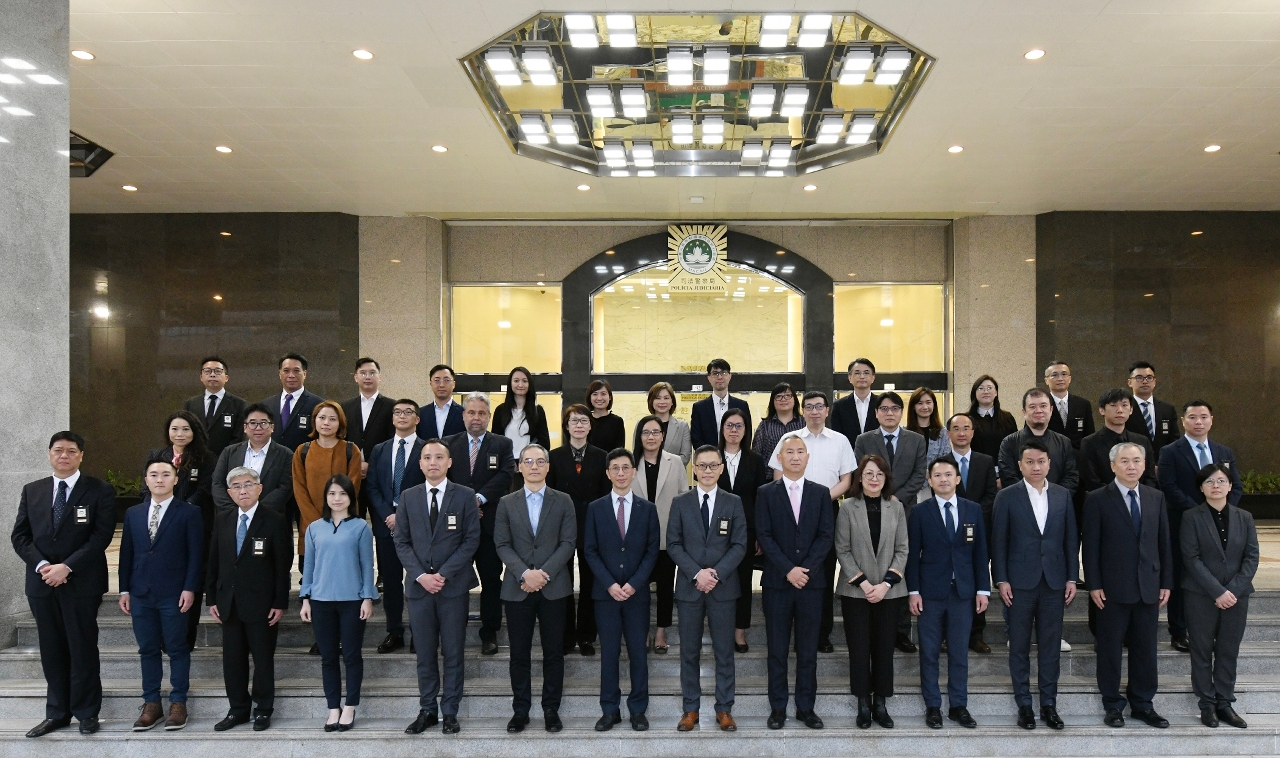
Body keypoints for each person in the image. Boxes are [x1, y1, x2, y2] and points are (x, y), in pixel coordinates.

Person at [11, 431, 115, 738]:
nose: (64, 456)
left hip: (82, 583)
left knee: (82, 648)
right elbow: (20, 536)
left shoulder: (99, 490)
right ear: (49, 454)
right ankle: (57, 713)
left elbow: (101, 535)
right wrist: (43, 566)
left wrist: (67, 567)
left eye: (71, 451)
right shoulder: (33, 490)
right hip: (42, 583)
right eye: (58, 450)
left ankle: (86, 712)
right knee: (52, 650)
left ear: (81, 455)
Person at [1083, 442, 1173, 729]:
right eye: (1124, 461)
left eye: (1136, 460)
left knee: (1145, 649)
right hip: (1111, 589)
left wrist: (1166, 581)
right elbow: (1091, 546)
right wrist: (1094, 584)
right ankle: (1112, 704)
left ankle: (1143, 704)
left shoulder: (1156, 497)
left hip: (1148, 586)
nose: (1131, 466)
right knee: (1109, 650)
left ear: (1145, 465)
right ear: (1113, 466)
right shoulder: (1097, 498)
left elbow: (1163, 542)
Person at [991, 440, 1078, 731]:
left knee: (1051, 646)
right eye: (1030, 462)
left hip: (1054, 581)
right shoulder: (1006, 496)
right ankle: (1025, 705)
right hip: (1019, 583)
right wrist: (1001, 579)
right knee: (1019, 646)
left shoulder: (1063, 495)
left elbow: (1070, 539)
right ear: (1020, 465)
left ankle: (1049, 705)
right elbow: (998, 542)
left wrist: (1071, 577)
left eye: (1041, 461)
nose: (1036, 467)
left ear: (1049, 464)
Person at [396, 439, 481, 736]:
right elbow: (401, 541)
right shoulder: (408, 496)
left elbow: (471, 540)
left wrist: (443, 573)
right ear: (420, 463)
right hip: (419, 589)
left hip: (452, 587)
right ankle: (428, 709)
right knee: (425, 653)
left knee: (454, 651)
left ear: (449, 462)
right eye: (427, 457)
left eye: (439, 457)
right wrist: (421, 575)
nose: (433, 462)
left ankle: (450, 711)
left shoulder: (465, 495)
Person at [494, 444, 576, 733]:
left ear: (548, 467)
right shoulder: (507, 503)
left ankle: (551, 709)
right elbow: (502, 544)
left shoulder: (563, 501)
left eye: (540, 461)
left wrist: (543, 574)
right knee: (519, 654)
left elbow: (568, 543)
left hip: (554, 588)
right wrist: (525, 573)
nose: (534, 466)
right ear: (520, 467)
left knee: (554, 653)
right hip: (517, 588)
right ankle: (521, 710)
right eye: (528, 461)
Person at [118, 455, 204, 732]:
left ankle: (178, 702)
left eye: (166, 474)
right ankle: (151, 703)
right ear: (146, 479)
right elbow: (126, 553)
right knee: (147, 649)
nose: (159, 479)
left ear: (176, 480)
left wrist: (190, 588)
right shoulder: (133, 513)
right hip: (140, 592)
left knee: (177, 648)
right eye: (153, 475)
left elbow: (196, 555)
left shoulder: (189, 512)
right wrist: (124, 589)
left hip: (174, 592)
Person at [667, 445, 748, 732]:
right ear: (694, 469)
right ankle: (691, 709)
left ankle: (724, 709)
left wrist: (715, 573)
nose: (708, 470)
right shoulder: (680, 502)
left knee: (724, 652)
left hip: (723, 588)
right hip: (689, 589)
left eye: (713, 465)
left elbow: (739, 544)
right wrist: (696, 573)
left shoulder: (733, 502)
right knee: (689, 652)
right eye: (702, 465)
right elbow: (673, 544)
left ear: (721, 469)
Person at [757, 432, 834, 730]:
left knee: (808, 651)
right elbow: (764, 535)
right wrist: (789, 569)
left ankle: (806, 708)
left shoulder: (821, 493)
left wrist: (805, 569)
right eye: (789, 452)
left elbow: (826, 536)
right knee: (777, 650)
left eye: (800, 451)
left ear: (807, 457)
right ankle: (778, 708)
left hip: (811, 585)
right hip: (777, 583)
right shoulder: (766, 493)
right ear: (779, 458)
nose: (795, 456)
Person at [207, 467, 292, 732]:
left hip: (263, 604)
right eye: (237, 486)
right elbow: (213, 561)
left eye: (248, 484)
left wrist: (279, 602)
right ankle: (238, 709)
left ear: (259, 488)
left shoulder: (275, 520)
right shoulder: (222, 519)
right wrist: (212, 598)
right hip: (229, 602)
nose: (242, 490)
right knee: (232, 661)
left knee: (263, 660)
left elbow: (282, 565)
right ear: (229, 492)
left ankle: (263, 710)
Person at [769, 391, 855, 654]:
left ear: (827, 410)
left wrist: (818, 499)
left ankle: (821, 634)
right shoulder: (790, 439)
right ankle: (793, 632)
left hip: (827, 507)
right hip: (790, 509)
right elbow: (777, 475)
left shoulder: (840, 440)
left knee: (822, 572)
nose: (814, 411)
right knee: (791, 567)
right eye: (809, 407)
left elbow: (846, 480)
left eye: (819, 406)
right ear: (803, 411)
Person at [907, 456, 990, 729]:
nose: (943, 479)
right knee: (929, 652)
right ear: (929, 481)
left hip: (963, 593)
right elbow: (912, 555)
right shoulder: (920, 512)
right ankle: (933, 706)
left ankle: (958, 706)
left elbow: (980, 552)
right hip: (930, 593)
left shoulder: (972, 509)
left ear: (957, 478)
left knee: (959, 652)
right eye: (937, 475)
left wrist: (983, 589)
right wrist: (914, 591)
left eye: (948, 474)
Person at [584, 448, 661, 733]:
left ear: (633, 472)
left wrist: (633, 584)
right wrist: (610, 584)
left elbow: (652, 552)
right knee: (609, 654)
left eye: (625, 467)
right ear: (607, 473)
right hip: (605, 595)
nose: (620, 473)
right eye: (615, 468)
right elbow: (590, 551)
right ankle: (610, 710)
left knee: (638, 653)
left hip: (636, 594)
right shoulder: (595, 508)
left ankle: (638, 710)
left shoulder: (647, 509)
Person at [1159, 400, 1243, 652]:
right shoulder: (1170, 451)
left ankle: (1211, 630)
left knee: (1214, 573)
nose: (1198, 422)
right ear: (1183, 421)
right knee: (1182, 574)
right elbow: (1168, 486)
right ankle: (1179, 631)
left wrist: (1222, 511)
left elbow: (1236, 486)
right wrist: (1199, 513)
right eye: (1193, 417)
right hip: (1183, 522)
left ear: (1211, 420)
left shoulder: (1223, 452)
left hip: (1220, 525)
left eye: (1204, 417)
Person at [1182, 463, 1258, 729]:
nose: (1216, 486)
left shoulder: (1245, 517)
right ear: (1201, 488)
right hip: (1200, 595)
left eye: (1221, 481)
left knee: (1228, 650)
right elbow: (1191, 558)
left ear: (1230, 486)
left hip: (1237, 596)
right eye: (1209, 482)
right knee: (1201, 650)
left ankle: (1224, 703)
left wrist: (1232, 591)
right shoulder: (1191, 517)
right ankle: (1207, 704)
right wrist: (1218, 591)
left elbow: (1251, 557)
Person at [834, 454, 907, 730]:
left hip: (889, 592)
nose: (874, 479)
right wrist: (864, 584)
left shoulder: (896, 507)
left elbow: (903, 549)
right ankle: (863, 703)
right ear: (860, 478)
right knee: (859, 648)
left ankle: (881, 704)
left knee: (884, 648)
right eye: (868, 474)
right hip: (856, 592)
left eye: (879, 474)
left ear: (886, 478)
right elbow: (842, 549)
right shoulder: (847, 507)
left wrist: (885, 584)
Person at [299, 475, 377, 732]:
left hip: (352, 602)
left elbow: (367, 565)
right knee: (328, 658)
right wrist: (305, 598)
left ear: (351, 498)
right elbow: (308, 566)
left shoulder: (361, 527)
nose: (337, 498)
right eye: (332, 493)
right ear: (326, 497)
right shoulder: (314, 528)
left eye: (342, 493)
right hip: (321, 601)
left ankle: (350, 706)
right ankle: (333, 707)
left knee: (352, 656)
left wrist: (367, 597)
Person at [444, 391, 515, 655]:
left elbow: (505, 475)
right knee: (455, 580)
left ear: (489, 416)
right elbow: (443, 478)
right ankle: (453, 631)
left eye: (482, 413)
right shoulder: (448, 443)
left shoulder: (502, 444)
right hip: (456, 526)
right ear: (463, 415)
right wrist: (467, 505)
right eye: (471, 412)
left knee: (491, 578)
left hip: (490, 524)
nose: (476, 417)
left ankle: (490, 633)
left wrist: (478, 499)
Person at [147, 410, 217, 649]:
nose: (180, 434)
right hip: (160, 527)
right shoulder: (158, 455)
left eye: (185, 429)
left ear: (194, 432)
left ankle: (187, 638)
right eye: (175, 429)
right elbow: (147, 487)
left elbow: (205, 490)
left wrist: (180, 511)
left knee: (191, 578)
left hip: (194, 524)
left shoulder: (206, 457)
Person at [547, 404, 610, 656]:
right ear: (566, 426)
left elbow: (606, 496)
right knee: (563, 583)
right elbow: (549, 495)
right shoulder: (554, 457)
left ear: (590, 426)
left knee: (589, 583)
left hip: (592, 527)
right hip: (561, 528)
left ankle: (586, 636)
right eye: (574, 421)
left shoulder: (602, 456)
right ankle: (565, 637)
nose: (579, 425)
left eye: (584, 421)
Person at [364, 399, 426, 654]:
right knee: (390, 581)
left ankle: (419, 632)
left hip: (417, 526)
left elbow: (429, 485)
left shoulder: (427, 449)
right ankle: (394, 631)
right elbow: (372, 486)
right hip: (386, 525)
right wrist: (388, 514)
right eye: (397, 412)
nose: (402, 416)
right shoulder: (380, 449)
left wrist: (402, 515)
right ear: (392, 418)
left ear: (417, 419)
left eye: (408, 412)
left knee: (417, 579)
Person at [631, 414, 690, 654]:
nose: (651, 437)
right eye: (646, 432)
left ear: (663, 436)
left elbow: (684, 497)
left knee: (666, 586)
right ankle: (642, 629)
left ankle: (661, 631)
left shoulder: (675, 462)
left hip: (668, 534)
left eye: (655, 432)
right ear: (639, 436)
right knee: (640, 587)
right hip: (637, 538)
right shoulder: (630, 462)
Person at [947, 413, 1000, 653]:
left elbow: (991, 495)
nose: (961, 433)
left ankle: (976, 634)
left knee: (978, 578)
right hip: (949, 530)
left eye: (966, 428)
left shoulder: (985, 461)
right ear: (949, 433)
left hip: (980, 529)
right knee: (951, 583)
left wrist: (971, 515)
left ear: (973, 432)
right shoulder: (942, 463)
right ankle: (949, 634)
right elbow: (941, 494)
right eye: (956, 428)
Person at [718, 408, 769, 652]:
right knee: (719, 580)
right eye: (729, 425)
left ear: (746, 430)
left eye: (739, 425)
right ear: (722, 428)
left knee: (743, 580)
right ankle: (720, 629)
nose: (734, 430)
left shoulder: (755, 460)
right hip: (715, 531)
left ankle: (740, 631)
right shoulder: (712, 456)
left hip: (745, 530)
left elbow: (760, 499)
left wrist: (759, 533)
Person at [291, 400, 363, 568]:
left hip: (344, 523)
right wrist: (318, 522)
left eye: (332, 419)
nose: (326, 423)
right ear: (314, 420)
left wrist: (335, 520)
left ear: (340, 423)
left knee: (344, 569)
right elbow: (299, 489)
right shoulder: (302, 451)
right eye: (322, 418)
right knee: (311, 570)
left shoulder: (351, 450)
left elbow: (352, 487)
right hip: (310, 523)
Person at [212, 404, 294, 515]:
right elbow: (217, 483)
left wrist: (256, 513)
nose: (258, 428)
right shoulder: (229, 452)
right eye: (253, 423)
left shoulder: (286, 454)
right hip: (231, 516)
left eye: (263, 423)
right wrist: (234, 512)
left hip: (269, 517)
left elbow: (285, 488)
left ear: (272, 427)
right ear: (245, 427)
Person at [340, 358, 395, 520]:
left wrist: (371, 464)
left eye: (372, 373)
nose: (367, 377)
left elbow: (392, 441)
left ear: (380, 377)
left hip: (380, 476)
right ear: (355, 377)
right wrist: (355, 463)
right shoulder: (345, 407)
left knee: (382, 522)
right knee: (353, 521)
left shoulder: (392, 406)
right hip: (352, 474)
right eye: (363, 373)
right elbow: (342, 439)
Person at [997, 388, 1079, 495]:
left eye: (1043, 406)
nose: (1038, 410)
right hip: (1021, 501)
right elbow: (1008, 477)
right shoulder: (1009, 442)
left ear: (1051, 410)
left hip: (1056, 502)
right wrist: (1031, 498)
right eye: (1032, 407)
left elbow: (1071, 476)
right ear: (1024, 412)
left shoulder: (1064, 442)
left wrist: (1052, 497)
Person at [854, 391, 929, 507]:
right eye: (884, 409)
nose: (889, 413)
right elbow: (859, 472)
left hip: (906, 505)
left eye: (895, 408)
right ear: (876, 412)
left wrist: (898, 497)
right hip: (872, 504)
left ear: (902, 412)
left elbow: (919, 473)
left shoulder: (917, 440)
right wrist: (878, 496)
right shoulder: (863, 440)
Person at [1080, 389, 1158, 494]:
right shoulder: (1090, 442)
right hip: (1105, 499)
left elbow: (1150, 477)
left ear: (1131, 410)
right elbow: (1091, 480)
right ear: (1102, 410)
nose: (1120, 410)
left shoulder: (1142, 441)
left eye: (1124, 405)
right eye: (1113, 405)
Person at [491, 367, 552, 489]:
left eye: (524, 381)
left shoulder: (537, 411)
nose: (520, 385)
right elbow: (495, 441)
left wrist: (528, 461)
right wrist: (509, 462)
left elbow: (544, 442)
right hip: (507, 466)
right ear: (510, 383)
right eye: (516, 381)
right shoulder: (501, 410)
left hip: (530, 466)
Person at [183, 356, 246, 456]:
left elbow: (239, 437)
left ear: (226, 378)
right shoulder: (191, 404)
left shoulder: (239, 404)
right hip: (196, 459)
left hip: (226, 459)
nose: (212, 375)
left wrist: (225, 459)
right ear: (201, 377)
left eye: (217, 371)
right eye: (207, 371)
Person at [260, 353, 324, 452]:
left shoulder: (319, 405)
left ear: (304, 374)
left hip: (304, 459)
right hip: (272, 459)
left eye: (296, 371)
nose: (291, 375)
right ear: (279, 374)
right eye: (286, 371)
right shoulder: (266, 405)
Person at [690, 358, 752, 449]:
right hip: (708, 456)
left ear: (730, 376)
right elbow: (696, 438)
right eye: (715, 373)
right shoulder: (699, 408)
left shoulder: (742, 406)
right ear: (709, 378)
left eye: (723, 373)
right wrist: (711, 455)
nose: (720, 377)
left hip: (736, 456)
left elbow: (747, 435)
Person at [1125, 361, 1180, 455]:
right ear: (1129, 382)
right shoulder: (1124, 409)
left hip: (1163, 461)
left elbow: (1174, 439)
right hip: (1134, 461)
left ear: (1154, 382)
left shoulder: (1167, 409)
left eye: (1149, 378)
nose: (1145, 381)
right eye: (1139, 378)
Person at [967, 375, 1018, 463]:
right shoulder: (967, 419)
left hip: (1003, 468)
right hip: (975, 467)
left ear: (996, 392)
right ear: (974, 393)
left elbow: (1014, 445)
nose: (986, 391)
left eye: (989, 388)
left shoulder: (1007, 418)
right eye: (981, 388)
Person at [1044, 361, 1095, 447]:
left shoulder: (1083, 404)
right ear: (1046, 380)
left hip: (1077, 453)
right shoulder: (1040, 405)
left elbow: (1089, 436)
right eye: (1054, 375)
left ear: (1070, 379)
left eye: (1064, 374)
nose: (1060, 378)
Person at [831, 358, 880, 446]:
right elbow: (837, 435)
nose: (862, 376)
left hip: (877, 452)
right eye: (857, 373)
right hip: (849, 452)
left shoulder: (881, 403)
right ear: (850, 378)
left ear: (873, 377)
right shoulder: (839, 406)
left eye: (866, 373)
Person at [641, 381, 691, 466]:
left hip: (674, 473)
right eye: (658, 398)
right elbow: (638, 453)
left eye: (666, 398)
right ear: (651, 401)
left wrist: (664, 468)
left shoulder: (682, 426)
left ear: (672, 402)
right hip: (647, 472)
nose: (662, 402)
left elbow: (685, 457)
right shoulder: (642, 424)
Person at [752, 382, 804, 463]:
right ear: (772, 402)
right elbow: (755, 455)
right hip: (770, 471)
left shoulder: (804, 423)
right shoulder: (764, 426)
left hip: (800, 470)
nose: (783, 399)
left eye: (787, 395)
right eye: (778, 396)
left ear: (795, 400)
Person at [417, 364, 465, 440]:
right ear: (431, 384)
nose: (441, 385)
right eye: (437, 380)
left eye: (446, 380)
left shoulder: (463, 413)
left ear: (454, 384)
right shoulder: (420, 413)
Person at [906, 387, 951, 465]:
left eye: (928, 402)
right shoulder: (905, 432)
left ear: (934, 405)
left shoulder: (942, 432)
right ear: (913, 406)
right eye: (920, 403)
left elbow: (947, 458)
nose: (925, 407)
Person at [585, 379, 626, 453]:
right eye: (595, 394)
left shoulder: (617, 422)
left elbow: (619, 451)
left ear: (610, 397)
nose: (599, 398)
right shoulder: (584, 420)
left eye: (603, 394)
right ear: (590, 397)